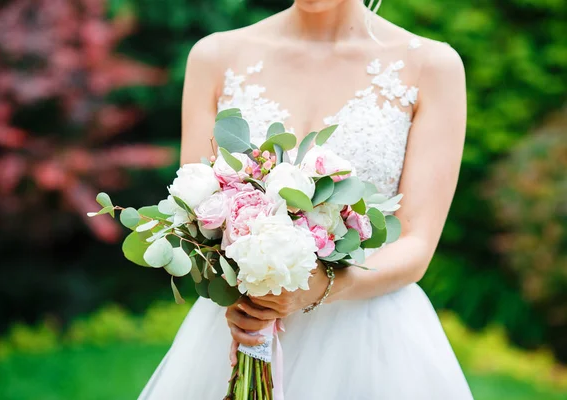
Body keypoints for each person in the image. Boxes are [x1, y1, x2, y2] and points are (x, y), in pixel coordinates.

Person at [139, 0, 473, 398]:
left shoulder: (432, 67)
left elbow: (417, 244)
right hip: (241, 323)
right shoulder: (215, 56)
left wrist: (318, 286)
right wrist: (236, 290)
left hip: (368, 338)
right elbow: (195, 216)